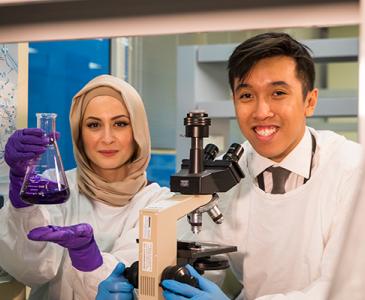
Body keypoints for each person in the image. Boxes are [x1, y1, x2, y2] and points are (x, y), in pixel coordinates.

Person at [157, 32, 363, 299]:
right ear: (234, 101)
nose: (261, 111)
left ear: (309, 102)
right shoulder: (227, 173)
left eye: (278, 93)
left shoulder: (351, 169)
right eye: (246, 95)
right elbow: (205, 261)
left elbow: (342, 289)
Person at [0, 74, 173, 299]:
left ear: (138, 131)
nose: (107, 138)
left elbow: (137, 287)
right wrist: (21, 202)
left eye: (120, 123)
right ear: (79, 134)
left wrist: (87, 256)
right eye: (93, 125)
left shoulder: (159, 203)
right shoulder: (55, 186)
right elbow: (32, 271)